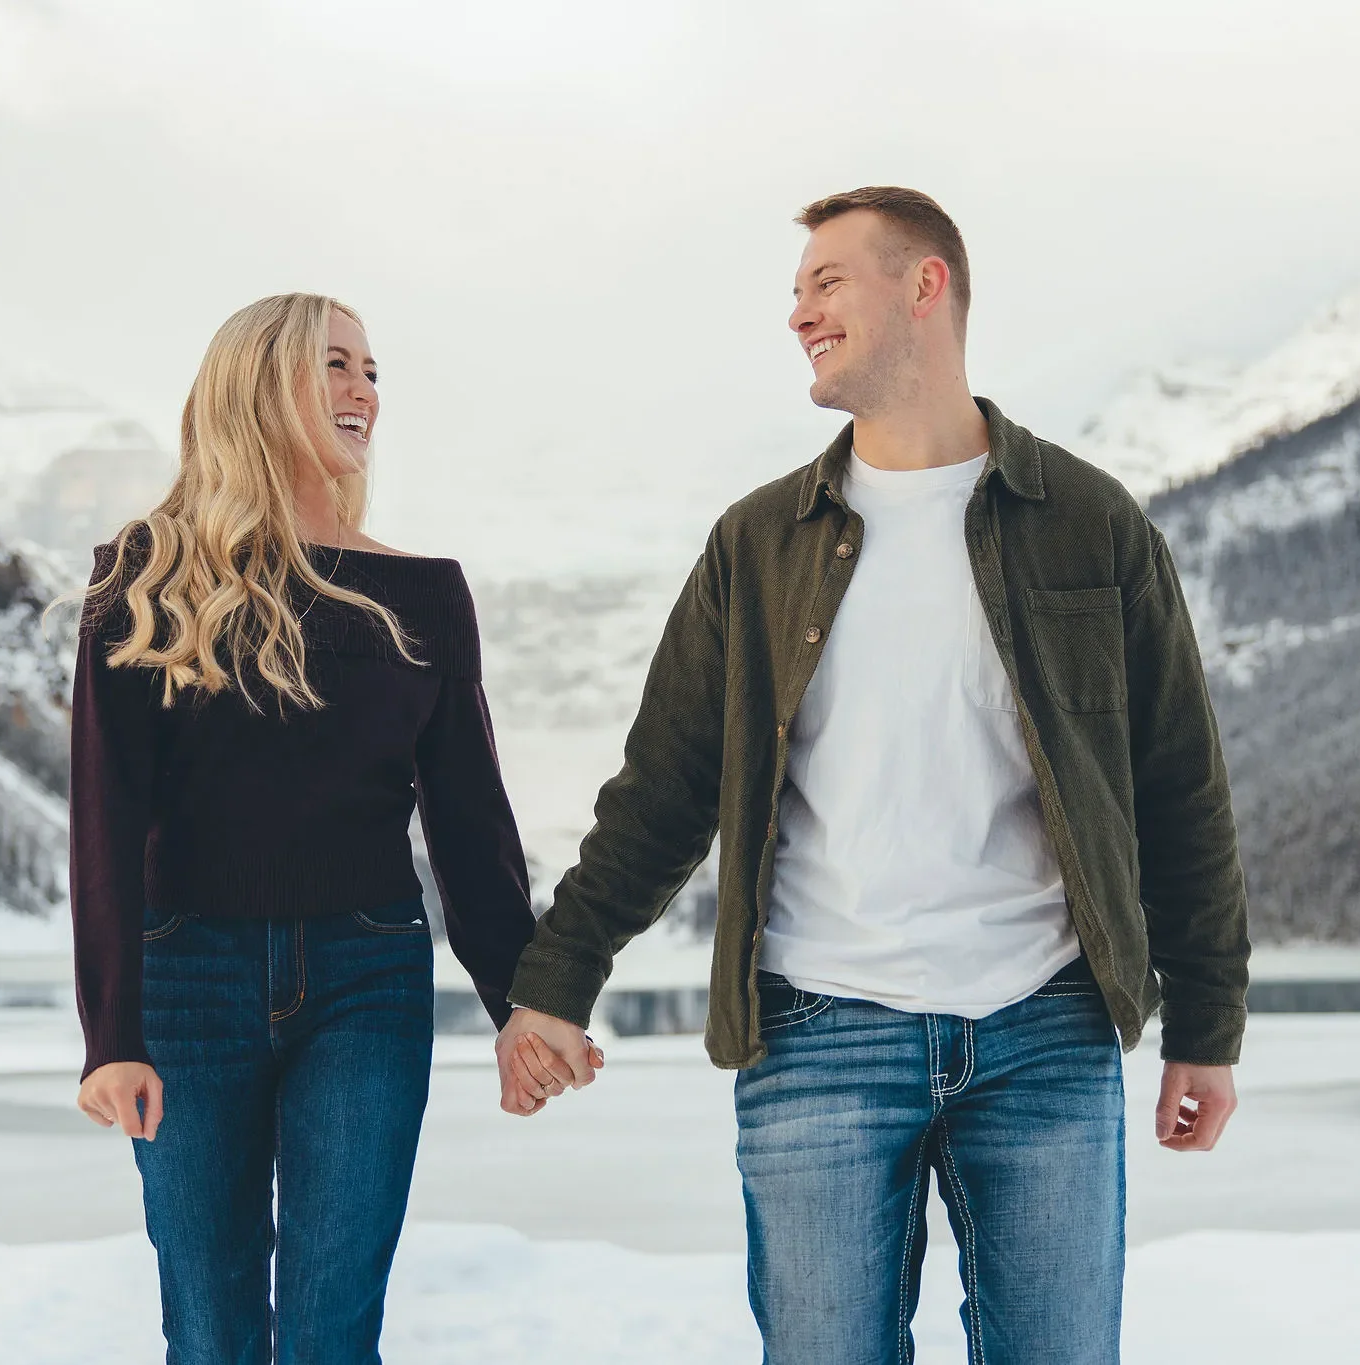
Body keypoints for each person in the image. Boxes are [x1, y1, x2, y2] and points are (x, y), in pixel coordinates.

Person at [495, 189, 1250, 1363]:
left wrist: (1206, 1021)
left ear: (924, 285)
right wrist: (558, 976)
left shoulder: (1088, 524)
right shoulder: (757, 543)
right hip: (814, 1033)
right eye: (796, 290)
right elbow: (664, 787)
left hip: (1043, 1029)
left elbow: (1177, 790)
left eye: (825, 282)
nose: (797, 311)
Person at [68, 293, 541, 1364]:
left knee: (334, 1337)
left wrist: (522, 1003)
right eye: (333, 364)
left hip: (364, 980)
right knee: (211, 1332)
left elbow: (468, 824)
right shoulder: (144, 577)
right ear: (255, 384)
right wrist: (111, 1038)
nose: (362, 392)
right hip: (184, 979)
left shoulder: (422, 596)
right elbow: (104, 820)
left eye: (370, 371)